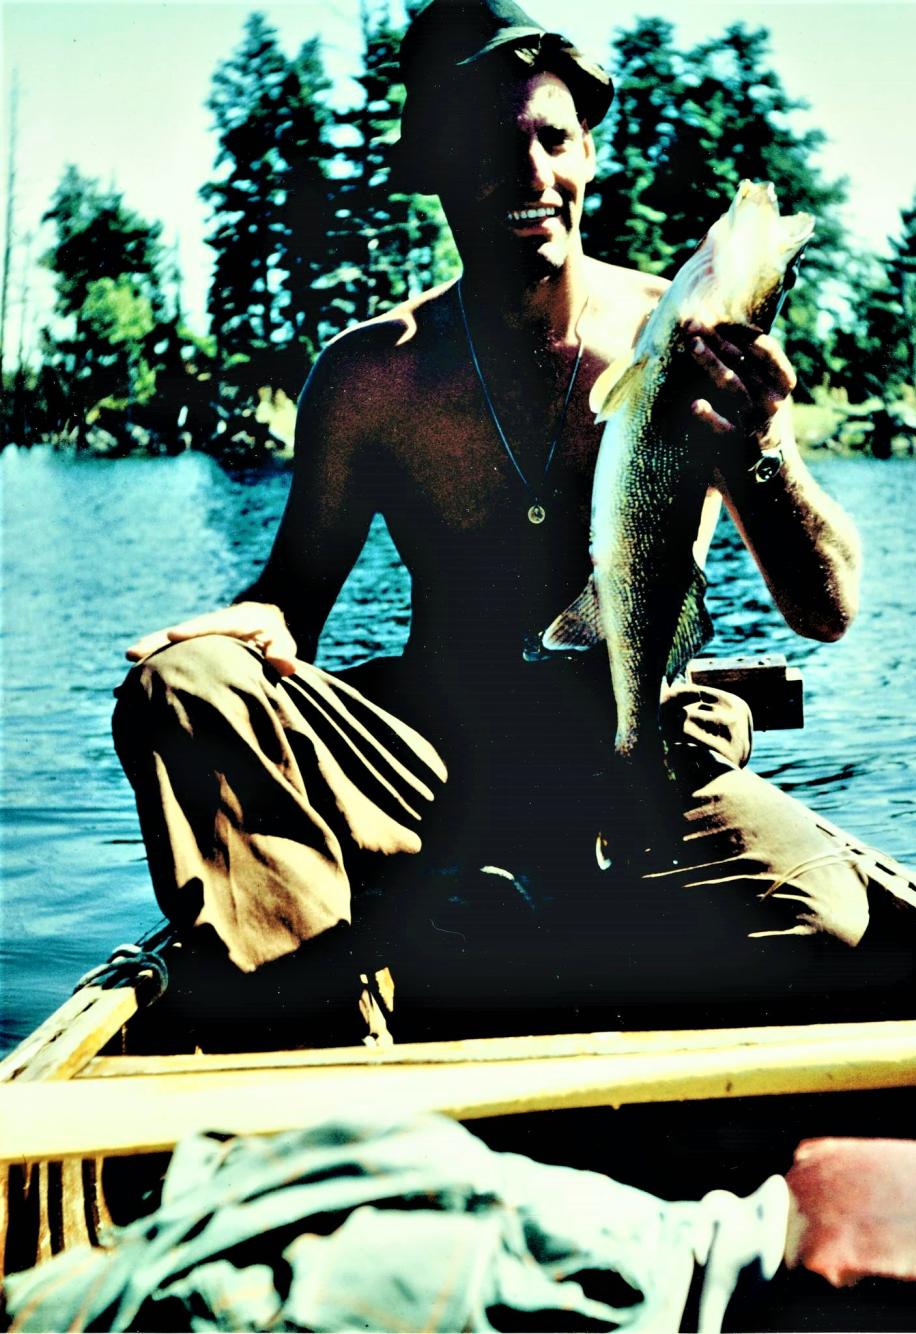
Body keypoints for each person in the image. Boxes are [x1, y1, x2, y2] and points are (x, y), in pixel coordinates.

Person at [114, 0, 870, 1040]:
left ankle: (499, 942)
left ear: (589, 154)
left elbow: (827, 609)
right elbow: (292, 600)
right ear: (431, 166)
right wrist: (259, 628)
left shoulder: (688, 352)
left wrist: (762, 445)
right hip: (429, 763)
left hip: (640, 757)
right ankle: (315, 1023)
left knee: (824, 928)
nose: (532, 173)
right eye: (487, 143)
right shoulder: (371, 375)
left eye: (554, 138)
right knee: (184, 685)